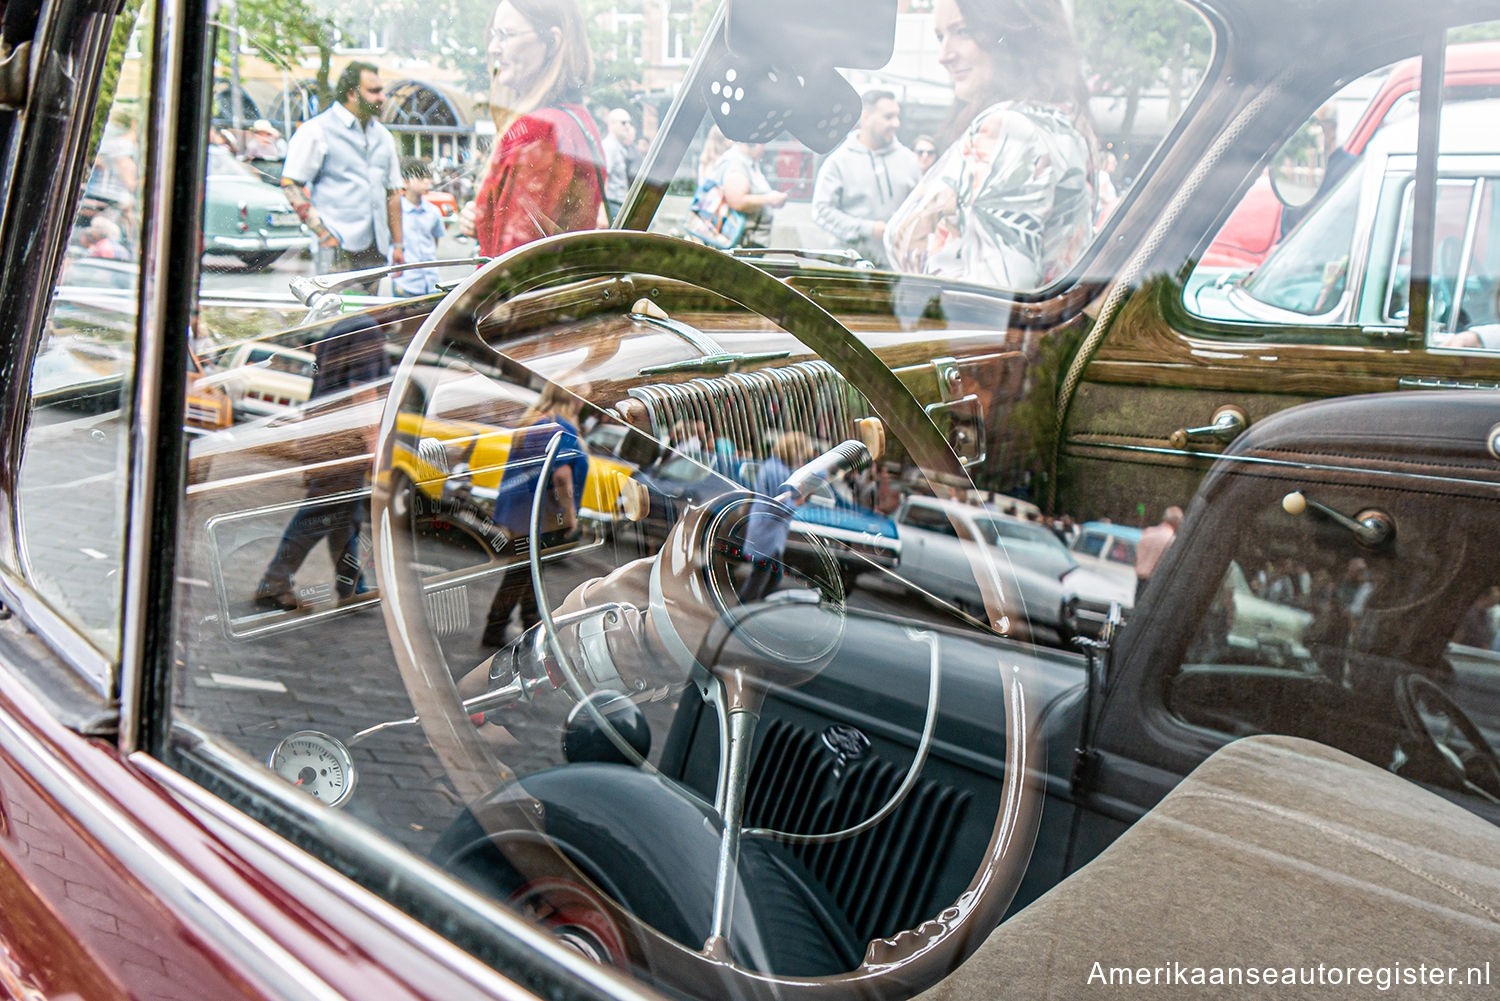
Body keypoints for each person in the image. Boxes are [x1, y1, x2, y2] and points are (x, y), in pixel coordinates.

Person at [885, 0, 1096, 289]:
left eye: (963, 31)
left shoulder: (1008, 127)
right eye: (939, 37)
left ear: (1012, 32)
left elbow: (995, 300)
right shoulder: (1062, 123)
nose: (943, 55)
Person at [254, 315, 391, 611]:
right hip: (343, 445)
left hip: (324, 437)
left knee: (345, 517)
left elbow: (321, 387)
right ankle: (274, 582)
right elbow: (362, 391)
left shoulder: (340, 327)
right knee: (318, 515)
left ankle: (351, 587)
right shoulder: (366, 332)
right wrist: (373, 446)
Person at [461, 0, 605, 257]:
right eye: (494, 36)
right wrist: (486, 223)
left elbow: (512, 268)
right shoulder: (576, 120)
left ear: (552, 42)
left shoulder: (538, 129)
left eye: (506, 35)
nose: (494, 48)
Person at [480, 380, 592, 648]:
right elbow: (562, 477)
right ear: (572, 399)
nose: (583, 404)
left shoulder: (536, 420)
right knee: (522, 572)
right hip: (541, 517)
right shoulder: (560, 427)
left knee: (528, 571)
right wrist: (570, 516)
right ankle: (499, 628)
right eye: (582, 398)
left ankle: (528, 624)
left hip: (523, 513)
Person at [281, 61, 404, 293]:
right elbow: (290, 184)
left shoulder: (383, 136)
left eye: (381, 90)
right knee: (337, 322)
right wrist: (324, 235)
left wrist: (398, 244)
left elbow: (393, 192)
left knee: (370, 320)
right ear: (351, 93)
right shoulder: (316, 130)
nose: (382, 98)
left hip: (375, 248)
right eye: (374, 91)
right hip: (337, 249)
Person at [811, 90, 921, 268]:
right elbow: (821, 211)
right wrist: (868, 229)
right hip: (850, 268)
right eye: (888, 117)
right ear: (866, 117)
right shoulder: (838, 162)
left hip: (897, 270)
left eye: (897, 117)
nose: (896, 123)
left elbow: (922, 208)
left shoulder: (910, 161)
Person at [739, 431, 814, 603]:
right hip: (767, 532)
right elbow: (779, 506)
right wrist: (798, 502)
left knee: (769, 576)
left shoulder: (774, 466)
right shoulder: (778, 471)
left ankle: (749, 610)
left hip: (766, 530)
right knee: (763, 579)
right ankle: (743, 612)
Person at [702, 142, 786, 249]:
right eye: (762, 143)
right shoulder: (737, 162)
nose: (764, 149)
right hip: (738, 245)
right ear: (752, 143)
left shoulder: (747, 161)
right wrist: (769, 200)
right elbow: (737, 201)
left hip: (745, 243)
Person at [392, 158, 447, 298]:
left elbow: (435, 241)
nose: (427, 181)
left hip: (432, 282)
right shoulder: (396, 213)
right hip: (405, 282)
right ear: (405, 181)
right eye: (421, 177)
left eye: (428, 177)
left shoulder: (433, 211)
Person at [1134, 505, 1183, 602]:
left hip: (1139, 578)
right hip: (1155, 582)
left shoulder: (1148, 532)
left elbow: (1136, 556)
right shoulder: (1171, 540)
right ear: (1177, 522)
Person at [600, 107, 636, 221]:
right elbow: (603, 177)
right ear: (611, 125)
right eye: (623, 123)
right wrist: (602, 212)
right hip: (612, 204)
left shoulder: (618, 146)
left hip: (618, 203)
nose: (628, 126)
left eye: (629, 123)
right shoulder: (609, 147)